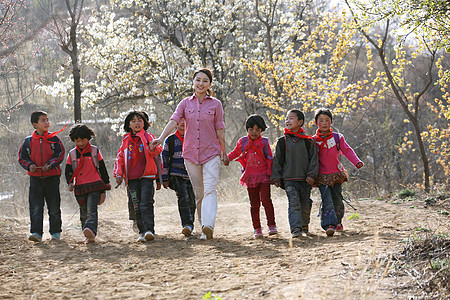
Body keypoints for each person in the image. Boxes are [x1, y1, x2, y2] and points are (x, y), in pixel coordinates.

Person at [151, 67, 229, 240]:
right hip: (191, 154)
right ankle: (203, 226)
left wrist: (224, 153)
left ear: (210, 84)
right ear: (193, 82)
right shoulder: (185, 103)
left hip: (212, 153)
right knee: (199, 192)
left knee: (210, 189)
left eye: (205, 81)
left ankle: (209, 225)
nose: (201, 83)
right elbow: (174, 121)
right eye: (198, 80)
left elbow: (220, 131)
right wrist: (161, 137)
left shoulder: (216, 104)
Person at [313, 108, 363, 236]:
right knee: (327, 200)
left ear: (331, 122)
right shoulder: (313, 141)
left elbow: (347, 150)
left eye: (327, 120)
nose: (324, 123)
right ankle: (329, 224)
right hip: (321, 176)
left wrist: (356, 162)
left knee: (337, 199)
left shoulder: (337, 138)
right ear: (316, 123)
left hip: (336, 175)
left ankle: (338, 221)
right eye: (321, 121)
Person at [114, 111, 163, 242]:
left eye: (140, 120)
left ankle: (149, 230)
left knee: (146, 202)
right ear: (129, 124)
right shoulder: (125, 140)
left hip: (147, 176)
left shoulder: (148, 136)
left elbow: (158, 152)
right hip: (132, 178)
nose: (137, 123)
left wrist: (152, 148)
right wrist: (118, 174)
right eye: (134, 121)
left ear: (145, 123)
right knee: (136, 204)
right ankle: (141, 232)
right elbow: (120, 158)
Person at [18, 111, 65, 243]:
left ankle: (55, 232)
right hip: (35, 179)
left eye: (47, 119)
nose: (47, 122)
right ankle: (36, 233)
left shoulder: (54, 139)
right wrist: (30, 165)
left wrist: (51, 164)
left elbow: (60, 154)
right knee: (36, 206)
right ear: (35, 124)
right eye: (43, 120)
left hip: (52, 178)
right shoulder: (28, 141)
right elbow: (22, 158)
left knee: (54, 206)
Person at [227, 114, 277, 238]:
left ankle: (272, 225)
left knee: (266, 200)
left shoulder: (264, 142)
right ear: (247, 129)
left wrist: (272, 176)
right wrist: (227, 158)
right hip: (250, 176)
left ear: (261, 130)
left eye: (257, 130)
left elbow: (270, 159)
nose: (254, 132)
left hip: (264, 175)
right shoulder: (243, 142)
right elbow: (235, 152)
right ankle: (257, 228)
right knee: (254, 204)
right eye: (251, 129)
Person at [271, 109, 318, 238]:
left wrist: (311, 175)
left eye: (291, 118)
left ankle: (304, 225)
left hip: (305, 180)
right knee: (294, 203)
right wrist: (276, 177)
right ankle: (295, 229)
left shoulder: (308, 141)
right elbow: (277, 161)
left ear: (300, 122)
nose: (287, 120)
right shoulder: (282, 141)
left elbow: (314, 160)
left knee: (305, 203)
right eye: (286, 118)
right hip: (289, 179)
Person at [65, 124, 111, 243]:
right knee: (83, 212)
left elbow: (102, 167)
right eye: (77, 141)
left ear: (88, 138)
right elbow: (68, 171)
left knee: (92, 209)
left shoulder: (95, 151)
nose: (80, 143)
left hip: (95, 184)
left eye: (83, 140)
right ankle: (88, 235)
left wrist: (106, 182)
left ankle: (90, 229)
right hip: (79, 187)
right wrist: (69, 183)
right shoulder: (72, 154)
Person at [161, 118, 196, 237]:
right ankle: (186, 224)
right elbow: (164, 159)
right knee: (183, 198)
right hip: (176, 174)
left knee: (192, 200)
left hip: (193, 174)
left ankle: (190, 225)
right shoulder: (170, 140)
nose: (182, 122)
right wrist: (164, 178)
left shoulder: (195, 137)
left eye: (185, 119)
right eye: (180, 120)